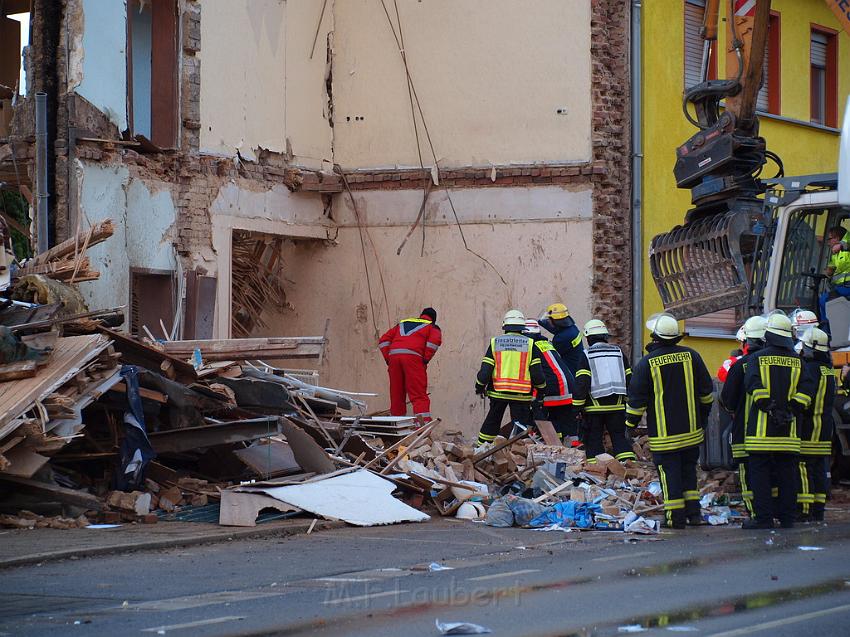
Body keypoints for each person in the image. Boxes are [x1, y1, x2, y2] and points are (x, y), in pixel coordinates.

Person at [626, 314, 714, 529]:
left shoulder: (647, 363)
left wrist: (629, 425)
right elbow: (707, 394)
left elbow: (637, 401)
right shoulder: (692, 356)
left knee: (669, 475)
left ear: (655, 336)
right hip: (692, 431)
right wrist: (702, 418)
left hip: (665, 435)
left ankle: (675, 517)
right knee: (688, 472)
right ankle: (694, 514)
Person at [743, 312, 812, 529]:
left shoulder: (756, 358)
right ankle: (787, 518)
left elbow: (753, 385)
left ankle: (763, 519)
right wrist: (792, 408)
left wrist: (769, 407)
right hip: (788, 432)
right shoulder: (799, 361)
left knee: (760, 477)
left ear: (768, 335)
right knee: (787, 476)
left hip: (761, 433)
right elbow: (808, 390)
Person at [719, 315, 768, 519]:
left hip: (744, 430)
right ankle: (773, 510)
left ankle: (756, 513)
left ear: (747, 341)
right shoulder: (779, 362)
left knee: (748, 474)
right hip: (773, 431)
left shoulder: (738, 365)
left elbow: (727, 397)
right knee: (771, 472)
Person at [474, 310, 546, 447]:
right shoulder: (531, 345)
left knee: (492, 420)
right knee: (519, 427)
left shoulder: (495, 343)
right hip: (521, 395)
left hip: (498, 392)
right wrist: (541, 390)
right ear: (522, 327)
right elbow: (537, 374)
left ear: (505, 326)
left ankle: (481, 448)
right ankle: (518, 454)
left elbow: (485, 371)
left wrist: (479, 386)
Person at [573, 319, 636, 463]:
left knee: (594, 439)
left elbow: (582, 382)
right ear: (605, 337)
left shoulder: (586, 354)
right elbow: (629, 378)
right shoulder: (619, 352)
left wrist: (576, 407)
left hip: (594, 408)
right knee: (619, 437)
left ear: (588, 337)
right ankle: (628, 465)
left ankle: (597, 470)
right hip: (618, 406)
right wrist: (629, 401)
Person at [796, 327, 835, 523]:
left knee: (803, 466)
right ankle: (818, 509)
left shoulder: (809, 368)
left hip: (809, 428)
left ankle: (804, 509)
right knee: (819, 468)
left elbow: (805, 399)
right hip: (824, 429)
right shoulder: (828, 369)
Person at [378, 308, 441, 420]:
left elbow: (383, 340)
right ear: (434, 319)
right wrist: (425, 359)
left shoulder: (402, 323)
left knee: (397, 395)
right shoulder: (432, 327)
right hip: (413, 358)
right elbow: (434, 342)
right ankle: (423, 428)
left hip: (394, 358)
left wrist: (388, 359)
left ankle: (397, 428)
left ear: (421, 315)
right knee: (418, 395)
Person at [523, 319, 577, 443]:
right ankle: (573, 450)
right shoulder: (546, 343)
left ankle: (551, 446)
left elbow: (536, 374)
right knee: (564, 423)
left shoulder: (531, 347)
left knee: (541, 417)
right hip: (568, 386)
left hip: (553, 388)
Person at [538, 303, 585, 376]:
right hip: (578, 367)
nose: (548, 321)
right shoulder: (572, 328)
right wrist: (539, 322)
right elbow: (555, 329)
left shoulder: (561, 338)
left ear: (555, 321)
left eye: (549, 319)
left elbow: (549, 353)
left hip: (570, 373)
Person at [818, 226, 850, 332]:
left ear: (836, 238)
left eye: (829, 239)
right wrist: (827, 271)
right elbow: (830, 269)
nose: (828, 242)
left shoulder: (847, 243)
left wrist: (841, 245)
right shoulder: (835, 255)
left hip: (847, 287)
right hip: (842, 288)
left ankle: (826, 332)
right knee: (825, 298)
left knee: (824, 300)